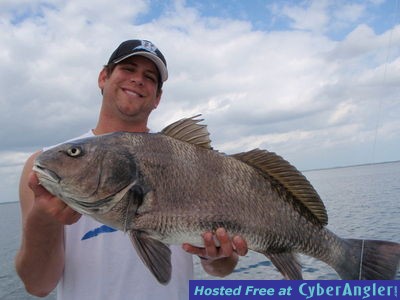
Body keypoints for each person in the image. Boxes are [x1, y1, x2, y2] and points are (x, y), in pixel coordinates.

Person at [15, 39, 248, 299]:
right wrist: (44, 219)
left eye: (149, 77)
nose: (138, 79)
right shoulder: (45, 166)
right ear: (104, 77)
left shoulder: (189, 162)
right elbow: (38, 286)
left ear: (158, 97)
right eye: (128, 69)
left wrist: (217, 257)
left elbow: (221, 269)